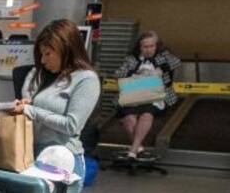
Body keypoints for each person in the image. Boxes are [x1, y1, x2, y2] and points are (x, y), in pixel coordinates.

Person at [11, 19, 100, 178]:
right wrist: (30, 103)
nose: (43, 60)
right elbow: (46, 107)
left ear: (66, 49)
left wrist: (31, 110)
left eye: (48, 54)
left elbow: (71, 125)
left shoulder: (86, 79)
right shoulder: (52, 75)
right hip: (38, 155)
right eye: (41, 54)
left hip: (63, 160)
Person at [114, 30, 182, 161]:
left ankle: (133, 150)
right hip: (135, 96)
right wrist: (133, 74)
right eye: (145, 47)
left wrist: (162, 69)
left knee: (147, 114)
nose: (149, 49)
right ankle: (138, 147)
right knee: (129, 116)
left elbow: (177, 62)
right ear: (139, 47)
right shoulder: (132, 59)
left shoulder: (163, 56)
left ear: (156, 46)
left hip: (156, 97)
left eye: (152, 46)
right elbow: (118, 73)